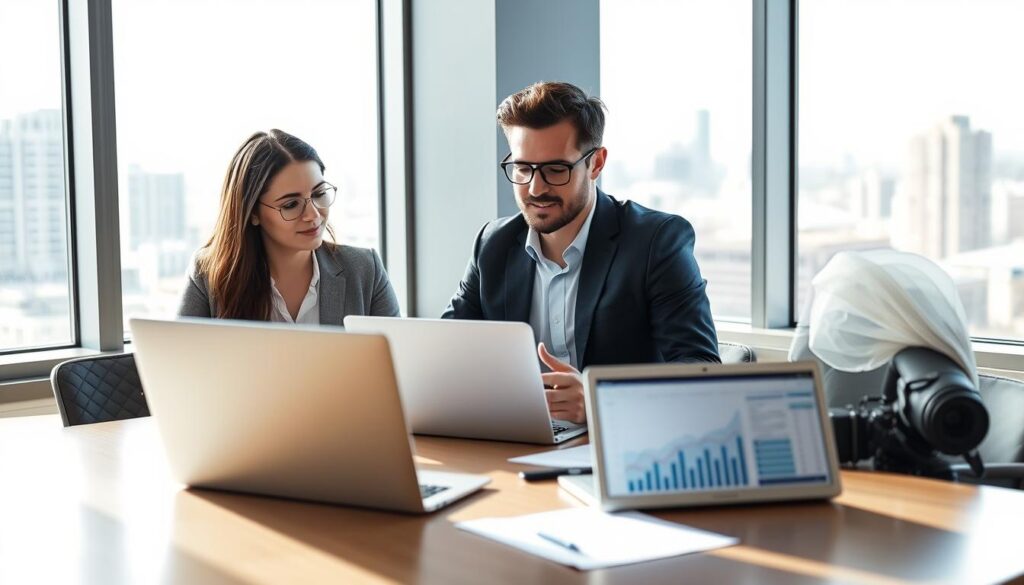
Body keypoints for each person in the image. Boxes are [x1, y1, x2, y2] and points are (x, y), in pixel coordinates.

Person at [443, 82, 719, 424]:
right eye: (523, 168)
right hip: (517, 440)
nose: (535, 188)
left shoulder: (655, 242)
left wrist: (599, 402)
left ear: (596, 164)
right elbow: (447, 352)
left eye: (556, 170)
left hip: (623, 444)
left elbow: (701, 370)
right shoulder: (493, 245)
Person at [178, 129, 400, 323]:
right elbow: (178, 363)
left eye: (319, 194)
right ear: (253, 213)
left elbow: (399, 362)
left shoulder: (364, 270)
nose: (313, 214)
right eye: (291, 204)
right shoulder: (208, 276)